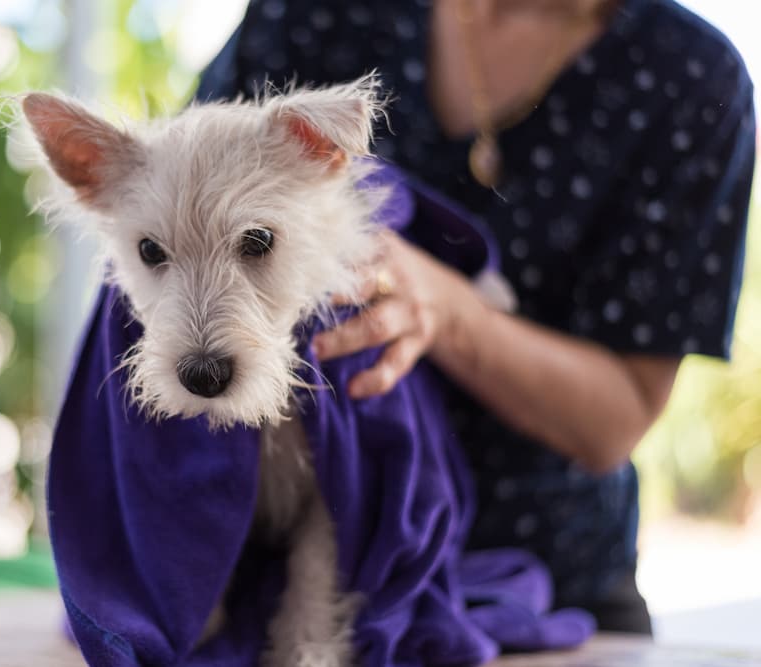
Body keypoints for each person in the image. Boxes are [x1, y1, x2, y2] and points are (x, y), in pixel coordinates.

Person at [195, 0, 756, 633]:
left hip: (542, 587)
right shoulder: (303, 13)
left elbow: (615, 420)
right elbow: (179, 216)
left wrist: (446, 310)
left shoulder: (689, 75)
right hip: (270, 578)